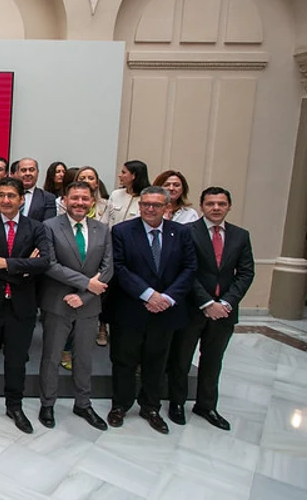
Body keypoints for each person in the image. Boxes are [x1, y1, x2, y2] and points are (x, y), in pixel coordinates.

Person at [106, 186, 196, 434]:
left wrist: (166, 298)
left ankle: (151, 406)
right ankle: (120, 406)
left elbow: (189, 268)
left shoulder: (181, 233)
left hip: (166, 310)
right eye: (145, 204)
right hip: (130, 307)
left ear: (167, 207)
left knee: (156, 362)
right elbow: (120, 268)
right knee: (123, 361)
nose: (149, 209)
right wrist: (147, 294)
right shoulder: (123, 231)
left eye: (156, 205)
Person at [0, 177, 51, 434]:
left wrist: (3, 263)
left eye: (11, 196)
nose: (5, 200)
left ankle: (14, 405)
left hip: (22, 306)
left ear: (21, 199)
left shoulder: (36, 228)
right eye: (1, 195)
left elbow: (44, 262)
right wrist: (23, 267)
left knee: (16, 360)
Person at [167, 187, 254, 431]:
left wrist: (225, 303)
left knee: (213, 360)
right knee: (181, 359)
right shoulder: (186, 232)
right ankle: (176, 403)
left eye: (221, 203)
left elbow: (246, 273)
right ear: (202, 206)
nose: (216, 208)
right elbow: (184, 270)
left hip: (224, 311)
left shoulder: (240, 235)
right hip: (192, 307)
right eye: (211, 203)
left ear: (229, 206)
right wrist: (206, 302)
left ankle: (206, 405)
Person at [37, 181, 113, 431]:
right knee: (51, 357)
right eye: (75, 198)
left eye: (85, 198)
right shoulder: (49, 227)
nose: (79, 203)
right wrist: (85, 284)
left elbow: (108, 269)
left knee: (84, 358)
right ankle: (47, 404)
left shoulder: (102, 229)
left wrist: (86, 295)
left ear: (92, 201)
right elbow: (50, 264)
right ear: (65, 200)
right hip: (57, 302)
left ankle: (83, 403)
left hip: (89, 306)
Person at [97, 160, 150, 346]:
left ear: (134, 175)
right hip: (111, 249)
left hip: (135, 252)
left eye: (124, 172)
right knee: (107, 290)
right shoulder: (116, 195)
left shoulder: (147, 197)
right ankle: (102, 327)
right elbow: (105, 221)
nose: (120, 175)